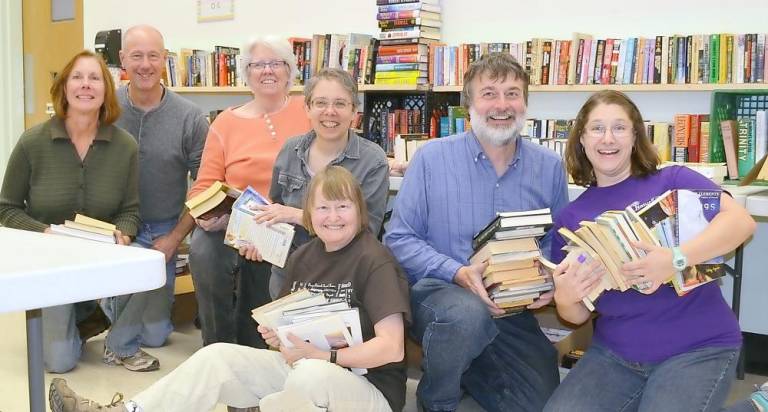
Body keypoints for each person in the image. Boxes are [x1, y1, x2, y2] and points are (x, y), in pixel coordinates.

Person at [49, 166, 412, 412]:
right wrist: (279, 336)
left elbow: (391, 347)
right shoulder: (303, 256)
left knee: (309, 375)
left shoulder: (374, 260)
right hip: (307, 370)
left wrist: (324, 358)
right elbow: (292, 329)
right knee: (217, 356)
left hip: (365, 390)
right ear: (308, 213)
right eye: (323, 208)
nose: (333, 217)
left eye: (343, 207)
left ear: (359, 211)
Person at [544, 90, 757, 412]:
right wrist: (565, 298)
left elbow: (741, 222)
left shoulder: (673, 179)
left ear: (634, 136)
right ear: (582, 140)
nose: (608, 138)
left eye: (619, 127)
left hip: (699, 346)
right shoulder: (570, 218)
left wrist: (674, 260)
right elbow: (578, 316)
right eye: (597, 128)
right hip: (616, 354)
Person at [384, 52, 568, 412]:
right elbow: (399, 238)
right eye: (489, 93)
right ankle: (436, 400)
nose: (502, 105)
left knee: (541, 401)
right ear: (468, 103)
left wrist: (549, 280)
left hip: (511, 309)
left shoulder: (548, 166)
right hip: (440, 296)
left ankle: (465, 367)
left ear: (525, 103)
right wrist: (457, 271)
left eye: (512, 93)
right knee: (465, 316)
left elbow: (555, 244)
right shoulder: (431, 158)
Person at [0, 50, 144, 373]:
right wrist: (45, 233)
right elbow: (7, 209)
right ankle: (82, 315)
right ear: (64, 87)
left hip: (100, 255)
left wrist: (122, 234)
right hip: (49, 262)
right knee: (60, 363)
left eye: (95, 78)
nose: (86, 85)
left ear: (106, 90)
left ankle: (106, 328)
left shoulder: (125, 147)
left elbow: (131, 210)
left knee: (148, 258)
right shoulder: (32, 142)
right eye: (77, 77)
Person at [187, 35, 311, 347]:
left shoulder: (309, 112)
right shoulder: (225, 123)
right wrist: (206, 216)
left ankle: (259, 346)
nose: (268, 71)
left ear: (290, 71)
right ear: (246, 73)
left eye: (276, 63)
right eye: (258, 65)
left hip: (287, 220)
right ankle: (216, 347)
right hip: (235, 223)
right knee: (203, 249)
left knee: (268, 257)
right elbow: (202, 187)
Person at [98, 25, 208, 368]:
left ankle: (113, 314)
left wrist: (175, 238)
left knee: (157, 335)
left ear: (164, 59)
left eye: (153, 55)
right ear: (122, 60)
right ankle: (119, 341)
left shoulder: (190, 116)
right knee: (135, 301)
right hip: (116, 228)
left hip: (164, 230)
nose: (145, 64)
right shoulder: (104, 108)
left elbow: (205, 185)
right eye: (136, 55)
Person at [253, 67, 389, 298]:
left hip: (343, 275)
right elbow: (277, 210)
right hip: (289, 268)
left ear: (354, 111)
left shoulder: (372, 160)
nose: (330, 112)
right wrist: (259, 239)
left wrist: (299, 216)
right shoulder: (289, 150)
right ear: (307, 108)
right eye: (320, 103)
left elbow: (367, 230)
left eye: (340, 104)